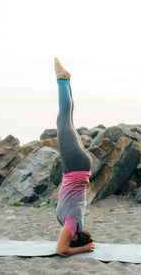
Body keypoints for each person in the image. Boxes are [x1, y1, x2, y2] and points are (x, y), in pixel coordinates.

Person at [54, 58, 95, 256]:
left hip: (78, 167)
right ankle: (62, 80)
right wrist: (84, 249)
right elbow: (61, 250)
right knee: (63, 120)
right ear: (75, 237)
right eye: (70, 237)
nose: (65, 234)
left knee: (67, 120)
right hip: (77, 166)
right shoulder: (73, 222)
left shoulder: (71, 223)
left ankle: (66, 81)